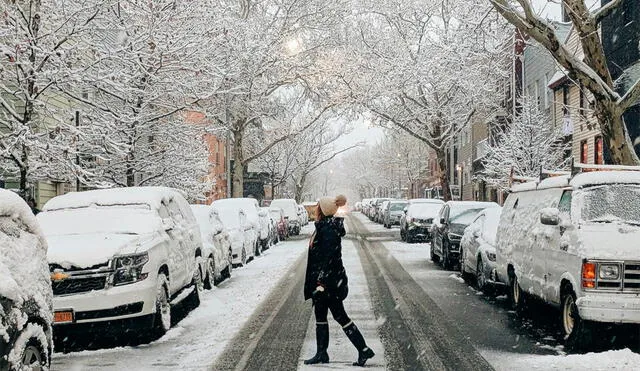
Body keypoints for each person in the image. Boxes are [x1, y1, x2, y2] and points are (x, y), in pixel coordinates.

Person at [304, 195, 375, 367]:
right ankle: (322, 353)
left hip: (328, 284)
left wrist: (321, 281)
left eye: (318, 207)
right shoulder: (324, 227)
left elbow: (328, 258)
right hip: (326, 281)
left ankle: (363, 349)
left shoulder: (327, 230)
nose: (315, 209)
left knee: (340, 316)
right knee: (321, 316)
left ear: (323, 210)